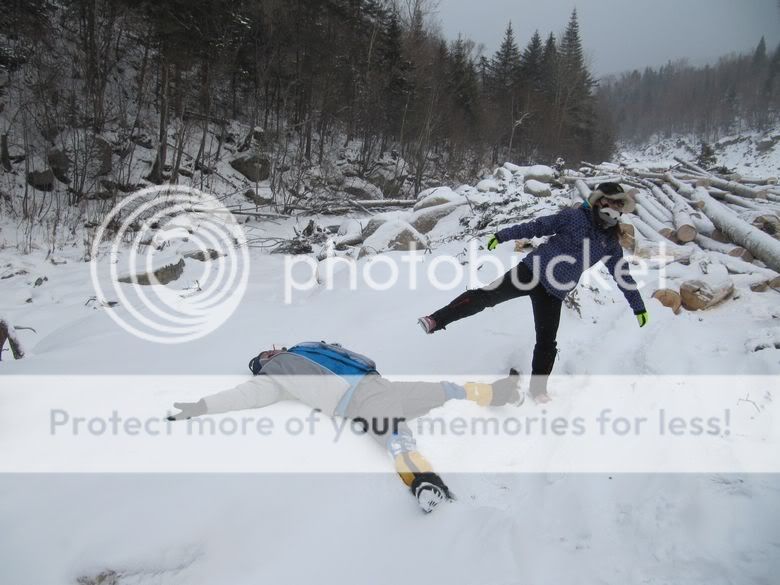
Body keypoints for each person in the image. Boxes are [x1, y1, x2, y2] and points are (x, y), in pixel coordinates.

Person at [166, 341, 521, 513]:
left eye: (269, 350)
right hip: (359, 399)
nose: (270, 352)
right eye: (264, 356)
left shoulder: (306, 348)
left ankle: (496, 393)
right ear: (262, 365)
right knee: (396, 436)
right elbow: (244, 396)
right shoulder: (277, 374)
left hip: (380, 385)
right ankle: (423, 483)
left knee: (443, 390)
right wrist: (202, 406)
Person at [418, 182, 649, 403]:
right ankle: (436, 320)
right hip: (530, 272)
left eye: (620, 206)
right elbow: (537, 226)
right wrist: (502, 235)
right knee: (484, 297)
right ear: (599, 201)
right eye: (612, 202)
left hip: (554, 293)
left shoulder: (610, 243)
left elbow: (622, 274)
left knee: (547, 343)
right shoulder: (573, 217)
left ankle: (538, 390)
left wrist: (638, 306)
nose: (616, 209)